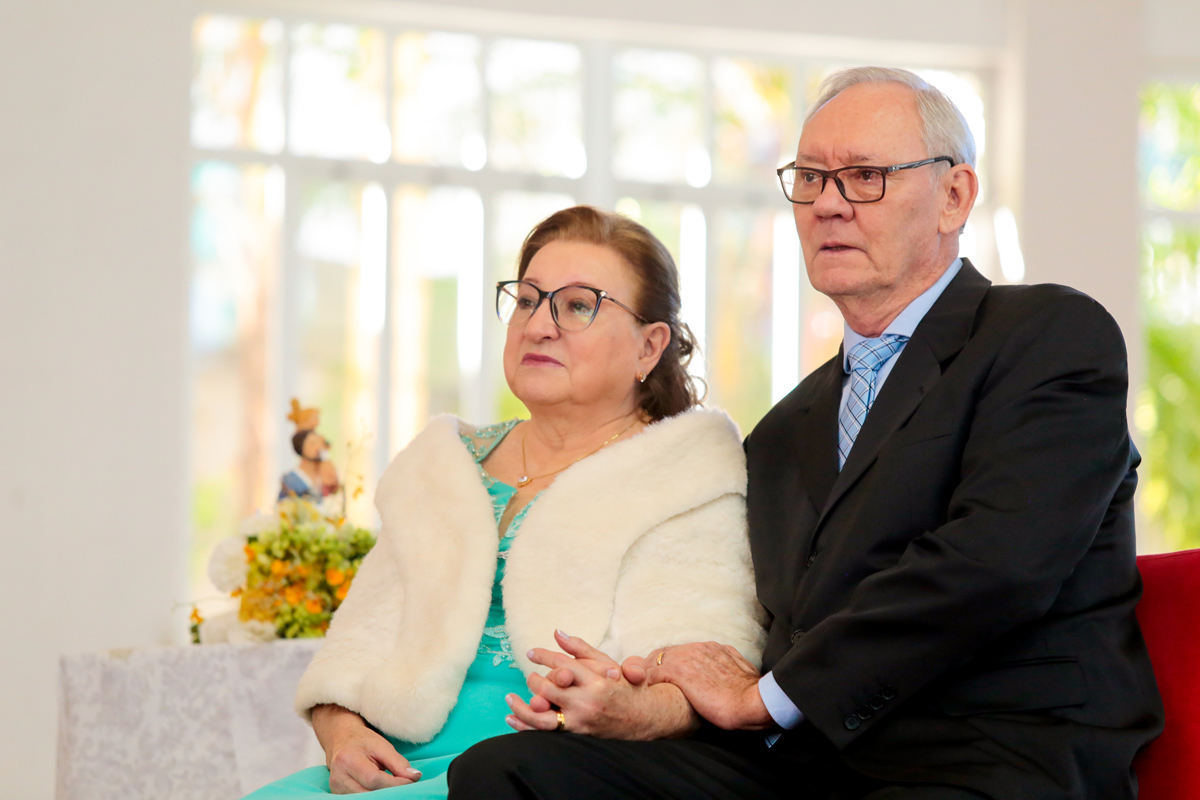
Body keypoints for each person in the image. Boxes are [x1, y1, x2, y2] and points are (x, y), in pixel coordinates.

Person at [449, 67, 1164, 800]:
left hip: (989, 754)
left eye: (864, 177)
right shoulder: (784, 429)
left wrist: (768, 697)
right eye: (811, 179)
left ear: (954, 196)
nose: (828, 204)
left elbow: (994, 566)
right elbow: (762, 630)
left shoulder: (1045, 335)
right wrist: (644, 695)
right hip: (806, 763)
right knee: (508, 770)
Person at [243, 205, 765, 799]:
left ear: (649, 346)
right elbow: (350, 656)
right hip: (394, 765)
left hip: (541, 773)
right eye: (528, 300)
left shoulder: (686, 475)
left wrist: (629, 707)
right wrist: (343, 737)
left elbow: (705, 682)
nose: (538, 325)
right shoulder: (443, 465)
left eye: (578, 305)